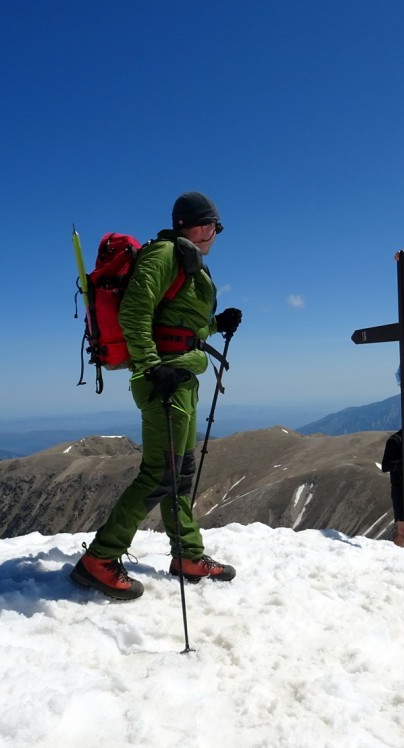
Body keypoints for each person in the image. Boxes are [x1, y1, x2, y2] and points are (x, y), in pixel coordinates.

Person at [71, 191, 242, 600]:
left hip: (180, 376)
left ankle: (187, 554)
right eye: (214, 226)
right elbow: (135, 310)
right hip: (163, 379)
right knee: (160, 473)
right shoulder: (164, 254)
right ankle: (99, 560)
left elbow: (177, 324)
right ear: (201, 225)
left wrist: (216, 324)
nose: (216, 234)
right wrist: (151, 366)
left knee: (180, 473)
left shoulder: (185, 261)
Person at [381, 430, 404, 546]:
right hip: (399, 490)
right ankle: (396, 556)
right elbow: (385, 466)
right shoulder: (394, 441)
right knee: (403, 531)